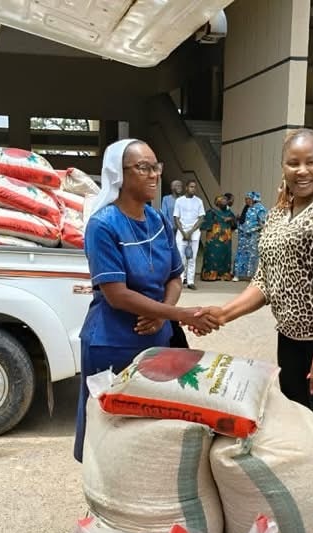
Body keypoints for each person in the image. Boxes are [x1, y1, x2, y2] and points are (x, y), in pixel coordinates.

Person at [198, 128, 313, 494]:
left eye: (310, 161)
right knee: (299, 428)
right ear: (283, 166)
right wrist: (223, 313)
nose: (302, 170)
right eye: (293, 163)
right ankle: (307, 506)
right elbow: (266, 279)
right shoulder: (280, 211)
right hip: (292, 340)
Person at [74, 140, 218, 462]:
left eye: (156, 167)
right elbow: (117, 294)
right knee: (110, 435)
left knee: (151, 436)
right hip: (113, 344)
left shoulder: (159, 221)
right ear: (119, 175)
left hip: (157, 341)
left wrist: (164, 317)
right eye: (143, 167)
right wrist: (180, 314)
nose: (154, 175)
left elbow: (174, 276)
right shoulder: (102, 225)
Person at [173, 180, 205, 290]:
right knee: (181, 257)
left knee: (192, 258)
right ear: (186, 188)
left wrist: (191, 232)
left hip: (194, 233)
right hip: (181, 233)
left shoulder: (199, 201)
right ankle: (181, 280)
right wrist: (183, 232)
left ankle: (190, 281)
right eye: (191, 187)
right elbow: (176, 218)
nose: (193, 189)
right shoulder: (179, 201)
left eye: (194, 187)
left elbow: (201, 218)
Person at [199, 194, 236, 281]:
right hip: (214, 239)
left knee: (225, 256)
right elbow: (205, 224)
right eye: (222, 201)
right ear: (217, 203)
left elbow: (235, 225)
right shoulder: (211, 212)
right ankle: (210, 275)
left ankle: (223, 275)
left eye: (225, 201)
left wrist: (231, 220)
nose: (225, 202)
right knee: (212, 256)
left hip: (226, 240)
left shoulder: (230, 213)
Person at [233, 190, 267, 281]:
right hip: (243, 236)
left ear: (253, 199)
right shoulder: (246, 208)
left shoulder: (260, 209)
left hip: (254, 235)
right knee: (241, 254)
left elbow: (262, 222)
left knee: (253, 255)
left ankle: (253, 276)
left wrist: (265, 233)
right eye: (245, 199)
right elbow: (243, 220)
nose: (246, 200)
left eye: (248, 199)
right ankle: (237, 274)